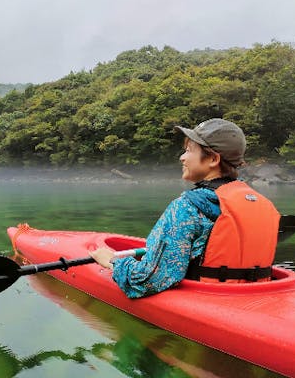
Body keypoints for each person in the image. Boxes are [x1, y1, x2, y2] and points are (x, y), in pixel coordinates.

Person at [89, 118, 281, 298]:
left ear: (213, 159)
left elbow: (150, 279)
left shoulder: (187, 207)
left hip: (210, 301)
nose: (182, 158)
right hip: (257, 296)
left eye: (189, 150)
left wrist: (113, 262)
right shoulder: (264, 204)